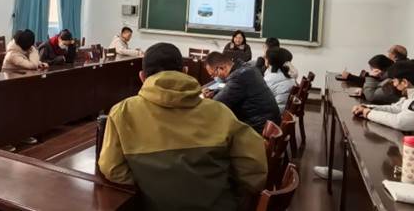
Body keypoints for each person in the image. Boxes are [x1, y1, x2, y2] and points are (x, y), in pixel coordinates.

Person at [98, 42, 267, 210]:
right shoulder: (220, 112)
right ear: (185, 71)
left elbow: (111, 168)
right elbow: (254, 171)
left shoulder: (122, 112)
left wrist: (148, 182)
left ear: (142, 77)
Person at [205, 52, 280, 134]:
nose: (215, 77)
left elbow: (217, 104)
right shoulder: (247, 68)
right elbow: (230, 90)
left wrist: (204, 100)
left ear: (221, 68)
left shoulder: (239, 77)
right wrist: (214, 92)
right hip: (268, 122)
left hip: (259, 128)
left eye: (214, 74)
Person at [263, 47, 296, 112]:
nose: (264, 58)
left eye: (266, 57)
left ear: (270, 61)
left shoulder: (270, 79)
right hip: (281, 110)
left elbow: (259, 98)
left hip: (273, 113)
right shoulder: (288, 75)